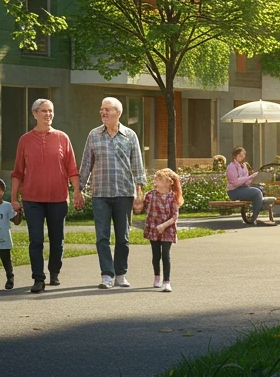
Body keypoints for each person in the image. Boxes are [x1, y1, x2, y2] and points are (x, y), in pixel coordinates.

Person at [10, 98, 81, 294]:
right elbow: (17, 172)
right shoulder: (24, 140)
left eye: (50, 111)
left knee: (57, 240)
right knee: (36, 240)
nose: (48, 115)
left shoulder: (62, 138)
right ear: (34, 114)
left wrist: (77, 193)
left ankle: (54, 272)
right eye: (43, 111)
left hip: (58, 198)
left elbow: (72, 169)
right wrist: (14, 199)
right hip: (32, 198)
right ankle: (38, 278)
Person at [79, 96, 147, 290]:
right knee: (102, 236)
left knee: (123, 237)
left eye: (108, 109)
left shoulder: (130, 136)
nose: (103, 112)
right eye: (102, 109)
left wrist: (140, 193)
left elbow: (137, 165)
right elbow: (86, 164)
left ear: (118, 112)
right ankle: (106, 275)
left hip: (124, 193)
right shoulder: (93, 135)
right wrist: (78, 189)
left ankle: (120, 274)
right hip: (100, 193)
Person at [141, 168, 182, 292]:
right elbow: (142, 208)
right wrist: (137, 203)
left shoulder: (172, 197)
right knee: (156, 255)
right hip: (153, 229)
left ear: (168, 182)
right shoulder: (150, 195)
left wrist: (164, 225)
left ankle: (167, 281)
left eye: (158, 180)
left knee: (165, 255)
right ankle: (157, 277)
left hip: (167, 230)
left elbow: (175, 216)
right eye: (155, 179)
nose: (155, 182)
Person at [227, 146, 272, 224]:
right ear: (235, 156)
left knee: (260, 188)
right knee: (257, 192)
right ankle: (254, 217)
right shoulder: (231, 166)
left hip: (243, 188)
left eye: (243, 155)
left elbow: (246, 182)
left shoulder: (244, 166)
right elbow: (235, 182)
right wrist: (249, 177)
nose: (242, 157)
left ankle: (258, 209)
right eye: (240, 156)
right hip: (233, 191)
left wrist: (253, 178)